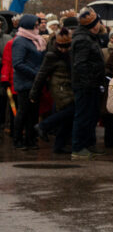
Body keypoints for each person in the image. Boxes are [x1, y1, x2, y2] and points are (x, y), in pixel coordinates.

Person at [31, 28, 75, 153]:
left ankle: (58, 146)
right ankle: (43, 126)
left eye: (66, 46)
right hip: (59, 88)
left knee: (67, 117)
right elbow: (41, 74)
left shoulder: (71, 54)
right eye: (61, 46)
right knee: (72, 109)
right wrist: (34, 92)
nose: (63, 49)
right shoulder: (51, 55)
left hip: (69, 87)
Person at [70, 8, 107, 159]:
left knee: (92, 116)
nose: (99, 24)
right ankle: (78, 147)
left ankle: (89, 144)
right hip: (85, 85)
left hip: (92, 84)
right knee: (83, 116)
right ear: (93, 24)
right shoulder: (83, 40)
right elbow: (80, 64)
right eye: (97, 22)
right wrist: (89, 81)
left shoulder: (90, 37)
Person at [11, 14, 47, 150]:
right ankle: (18, 139)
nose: (38, 28)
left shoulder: (35, 40)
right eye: (35, 25)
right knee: (23, 112)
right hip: (25, 83)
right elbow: (18, 63)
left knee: (33, 113)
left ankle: (30, 139)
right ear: (28, 25)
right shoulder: (20, 41)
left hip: (35, 83)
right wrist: (36, 74)